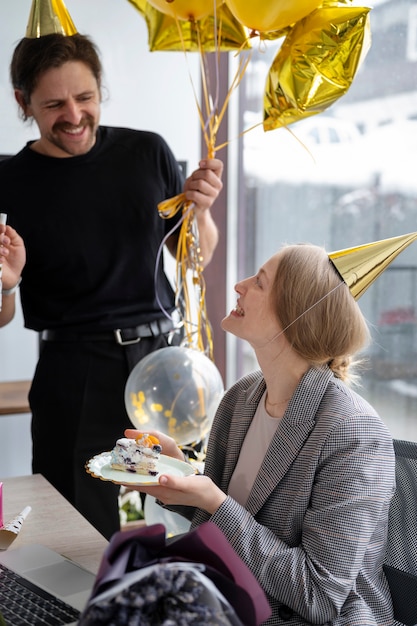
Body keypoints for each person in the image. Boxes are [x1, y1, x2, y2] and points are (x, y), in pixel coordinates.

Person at [0, 20, 223, 540]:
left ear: (101, 92)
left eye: (85, 97)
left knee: (189, 514)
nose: (74, 116)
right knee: (77, 531)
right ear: (23, 102)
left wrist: (204, 212)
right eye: (54, 105)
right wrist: (7, 282)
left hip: (163, 363)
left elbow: (193, 257)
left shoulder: (147, 152)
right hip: (73, 372)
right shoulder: (7, 181)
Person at [124, 241, 398, 625]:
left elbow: (318, 597)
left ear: (296, 315)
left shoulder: (353, 433)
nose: (240, 285)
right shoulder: (242, 398)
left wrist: (214, 502)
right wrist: (179, 474)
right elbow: (230, 514)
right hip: (227, 594)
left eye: (260, 283)